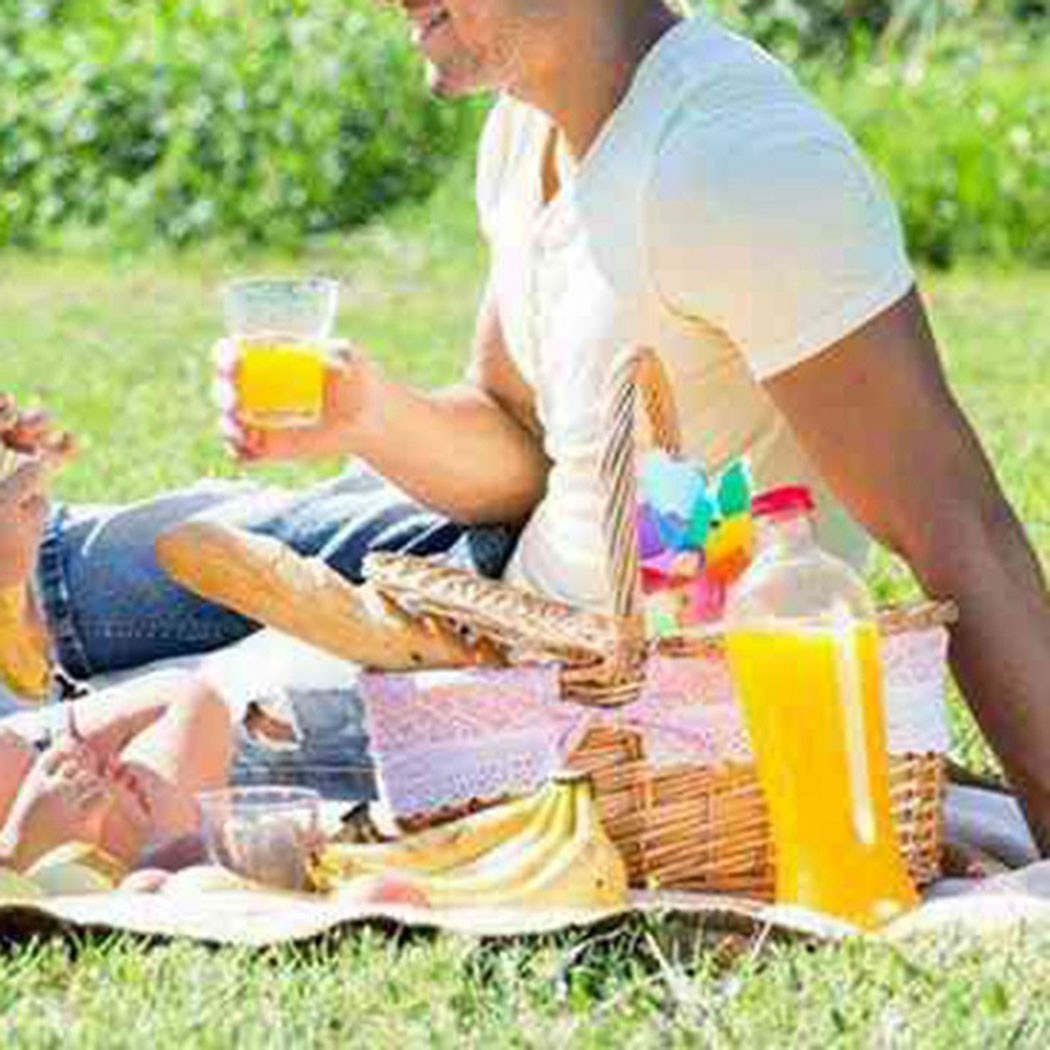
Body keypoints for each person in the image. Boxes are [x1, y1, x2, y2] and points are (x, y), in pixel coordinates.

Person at [3, 0, 1050, 854]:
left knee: (76, 779)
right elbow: (514, 443)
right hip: (486, 639)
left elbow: (956, 526)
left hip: (620, 734)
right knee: (94, 727)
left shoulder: (737, 166)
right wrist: (367, 413)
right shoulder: (530, 126)